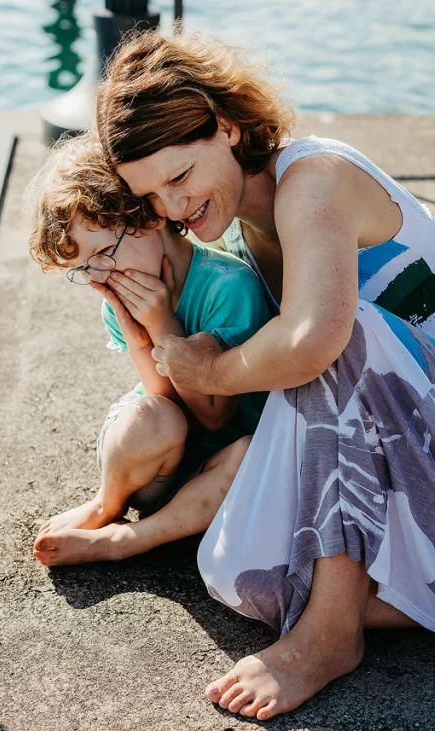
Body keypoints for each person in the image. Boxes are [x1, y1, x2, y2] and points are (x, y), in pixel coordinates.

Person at [96, 31, 435, 721]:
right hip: (409, 445)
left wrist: (211, 363)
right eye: (152, 195)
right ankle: (394, 596)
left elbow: (313, 345)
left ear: (226, 126)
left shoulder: (313, 180)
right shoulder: (250, 235)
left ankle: (330, 634)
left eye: (180, 175)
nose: (173, 208)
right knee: (236, 573)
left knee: (332, 331)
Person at [26, 134, 266, 567]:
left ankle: (129, 539)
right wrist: (137, 335)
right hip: (150, 460)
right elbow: (163, 400)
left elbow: (214, 415)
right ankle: (107, 502)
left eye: (104, 252)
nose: (101, 275)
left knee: (252, 458)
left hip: (218, 461)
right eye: (83, 268)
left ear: (148, 217)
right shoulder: (114, 301)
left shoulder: (229, 287)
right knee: (149, 417)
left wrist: (161, 325)